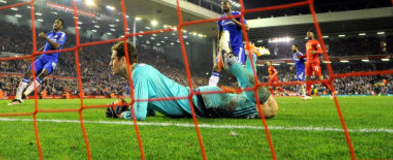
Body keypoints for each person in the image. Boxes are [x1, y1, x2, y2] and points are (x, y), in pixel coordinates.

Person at [108, 41, 278, 120]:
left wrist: (123, 114)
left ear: (124, 60)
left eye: (113, 59)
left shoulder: (139, 76)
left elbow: (139, 116)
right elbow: (147, 110)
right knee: (261, 103)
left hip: (205, 103)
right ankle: (251, 57)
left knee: (270, 109)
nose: (110, 63)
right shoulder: (142, 72)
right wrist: (130, 107)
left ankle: (233, 63)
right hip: (204, 98)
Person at [9, 19, 66, 105]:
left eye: (58, 23)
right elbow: (45, 46)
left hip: (52, 59)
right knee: (28, 73)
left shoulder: (62, 34)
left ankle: (23, 96)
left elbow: (56, 46)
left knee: (43, 73)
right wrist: (34, 55)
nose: (55, 24)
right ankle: (17, 98)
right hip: (42, 57)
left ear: (61, 26)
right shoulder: (49, 33)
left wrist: (46, 38)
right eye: (54, 22)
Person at [209, 0, 248, 87]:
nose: (224, 6)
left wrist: (233, 20)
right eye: (222, 5)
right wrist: (218, 47)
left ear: (230, 5)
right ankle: (209, 90)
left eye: (225, 4)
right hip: (225, 47)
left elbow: (247, 28)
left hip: (237, 46)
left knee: (237, 69)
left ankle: (245, 90)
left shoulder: (237, 14)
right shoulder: (220, 19)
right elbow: (220, 34)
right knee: (216, 67)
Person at [303, 31, 334, 99]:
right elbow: (308, 53)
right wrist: (301, 57)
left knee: (319, 78)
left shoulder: (316, 42)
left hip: (315, 62)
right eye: (307, 34)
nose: (308, 34)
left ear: (313, 35)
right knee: (307, 77)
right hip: (308, 62)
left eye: (310, 33)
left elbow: (321, 51)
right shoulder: (307, 43)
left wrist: (315, 51)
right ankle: (308, 95)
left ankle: (332, 91)